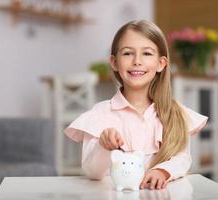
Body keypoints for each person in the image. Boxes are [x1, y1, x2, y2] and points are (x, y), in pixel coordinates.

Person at [64, 20, 208, 190]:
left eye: (147, 53)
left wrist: (162, 171)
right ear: (114, 62)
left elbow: (183, 159)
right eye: (127, 53)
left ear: (161, 64)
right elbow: (92, 172)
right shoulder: (101, 114)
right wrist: (103, 146)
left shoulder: (174, 113)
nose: (137, 61)